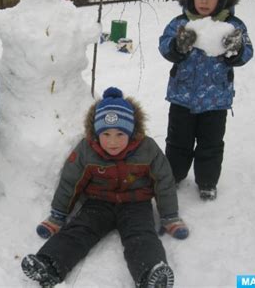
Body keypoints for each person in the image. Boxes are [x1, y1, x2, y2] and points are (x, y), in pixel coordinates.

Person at [21, 87, 188, 288]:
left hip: (136, 203)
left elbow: (164, 181)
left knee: (141, 235)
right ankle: (49, 264)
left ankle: (151, 274)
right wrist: (58, 214)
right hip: (98, 203)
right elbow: (70, 181)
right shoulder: (86, 150)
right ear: (96, 133)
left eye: (120, 134)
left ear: (131, 131)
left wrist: (169, 216)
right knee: (80, 230)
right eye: (106, 134)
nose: (113, 142)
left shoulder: (147, 148)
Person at [158, 0, 253, 201]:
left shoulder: (233, 25)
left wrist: (235, 50)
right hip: (182, 97)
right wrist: (177, 46)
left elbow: (247, 52)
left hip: (216, 99)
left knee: (210, 144)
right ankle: (175, 174)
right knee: (178, 141)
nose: (204, 1)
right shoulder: (181, 23)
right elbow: (164, 46)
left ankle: (207, 181)